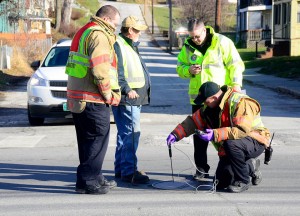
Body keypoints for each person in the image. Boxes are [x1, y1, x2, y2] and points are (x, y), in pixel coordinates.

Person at [166, 81, 270, 193]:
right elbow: (193, 122)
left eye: (206, 101)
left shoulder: (240, 102)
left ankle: (243, 180)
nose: (204, 104)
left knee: (231, 144)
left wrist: (215, 134)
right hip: (231, 147)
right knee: (220, 183)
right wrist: (176, 134)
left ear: (214, 97)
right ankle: (250, 165)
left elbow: (242, 130)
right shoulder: (209, 108)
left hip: (255, 140)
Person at [176, 18, 245, 181]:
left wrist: (235, 85)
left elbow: (236, 65)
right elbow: (179, 68)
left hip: (220, 99)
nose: (195, 40)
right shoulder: (187, 46)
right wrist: (189, 70)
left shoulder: (222, 42)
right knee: (199, 135)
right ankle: (201, 169)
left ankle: (231, 168)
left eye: (197, 36)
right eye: (192, 37)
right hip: (199, 100)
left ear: (204, 31)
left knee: (225, 135)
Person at [65, 5, 121, 195]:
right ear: (106, 19)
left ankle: (94, 177)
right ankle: (88, 181)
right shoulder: (99, 35)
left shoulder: (84, 31)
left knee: (87, 140)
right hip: (92, 98)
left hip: (79, 97)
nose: (116, 28)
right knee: (97, 138)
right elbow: (100, 69)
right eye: (115, 23)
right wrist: (108, 94)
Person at [112, 16, 151, 184]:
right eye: (137, 30)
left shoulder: (128, 44)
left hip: (129, 98)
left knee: (124, 135)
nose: (140, 33)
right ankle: (129, 171)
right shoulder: (120, 45)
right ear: (130, 31)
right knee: (131, 134)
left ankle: (121, 169)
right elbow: (117, 72)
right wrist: (127, 89)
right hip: (129, 98)